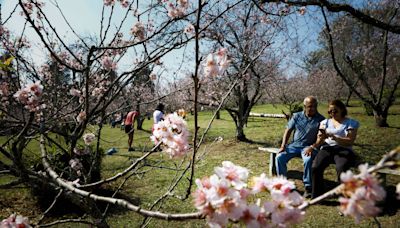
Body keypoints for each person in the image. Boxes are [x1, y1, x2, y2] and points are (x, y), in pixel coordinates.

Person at [275, 96, 325, 198]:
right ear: (304, 106)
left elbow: (321, 138)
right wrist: (283, 145)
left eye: (315, 106)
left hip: (309, 147)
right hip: (294, 146)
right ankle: (284, 184)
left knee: (308, 160)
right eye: (310, 106)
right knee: (279, 157)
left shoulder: (321, 119)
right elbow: (288, 131)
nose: (313, 108)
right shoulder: (296, 116)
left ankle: (308, 187)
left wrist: (313, 147)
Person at [311, 100, 359, 199]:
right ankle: (317, 196)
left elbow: (350, 140)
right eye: (330, 111)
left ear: (342, 110)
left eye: (335, 111)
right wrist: (318, 140)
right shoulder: (324, 122)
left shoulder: (351, 123)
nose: (332, 113)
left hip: (344, 148)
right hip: (327, 148)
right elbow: (319, 140)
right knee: (316, 167)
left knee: (341, 168)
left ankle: (344, 197)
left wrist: (336, 137)